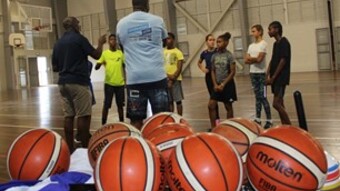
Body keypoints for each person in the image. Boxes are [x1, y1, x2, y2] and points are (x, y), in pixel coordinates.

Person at [52, 16, 106, 152]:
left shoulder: (58, 43)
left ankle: (70, 148)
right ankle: (84, 148)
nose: (79, 25)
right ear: (73, 25)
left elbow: (55, 67)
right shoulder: (79, 39)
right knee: (84, 115)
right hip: (78, 82)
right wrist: (100, 43)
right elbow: (97, 55)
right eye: (78, 23)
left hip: (63, 83)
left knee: (68, 116)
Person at [116, 0, 169, 130]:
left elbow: (122, 47)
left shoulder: (121, 24)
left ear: (133, 5)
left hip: (135, 79)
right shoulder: (158, 21)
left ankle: (138, 148)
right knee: (161, 119)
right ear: (147, 5)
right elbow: (164, 43)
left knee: (136, 121)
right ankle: (161, 147)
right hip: (157, 77)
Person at [245, 24, 273, 129]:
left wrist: (251, 59)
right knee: (257, 97)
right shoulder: (251, 46)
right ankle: (258, 119)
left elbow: (259, 59)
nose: (252, 33)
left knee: (263, 97)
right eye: (252, 31)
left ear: (260, 32)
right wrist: (254, 58)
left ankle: (269, 120)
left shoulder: (263, 44)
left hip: (262, 75)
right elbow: (245, 60)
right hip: (253, 74)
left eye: (254, 31)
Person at [209, 32, 237, 130]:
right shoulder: (214, 56)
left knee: (228, 106)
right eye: (217, 42)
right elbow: (212, 70)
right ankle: (214, 127)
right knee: (211, 105)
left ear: (225, 43)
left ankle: (230, 127)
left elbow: (233, 72)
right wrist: (215, 84)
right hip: (217, 85)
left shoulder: (229, 55)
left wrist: (223, 84)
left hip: (227, 85)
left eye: (220, 42)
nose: (217, 44)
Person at [95, 34, 125, 125]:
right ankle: (103, 124)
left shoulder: (120, 53)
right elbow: (96, 67)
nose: (113, 41)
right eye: (111, 39)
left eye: (114, 40)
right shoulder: (105, 53)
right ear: (108, 41)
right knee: (106, 105)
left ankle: (122, 123)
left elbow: (125, 66)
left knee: (120, 105)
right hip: (109, 84)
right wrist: (99, 64)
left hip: (120, 84)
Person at [266, 21, 291, 125]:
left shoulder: (284, 42)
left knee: (276, 104)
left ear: (276, 30)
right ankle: (285, 125)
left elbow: (283, 61)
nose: (268, 31)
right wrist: (267, 74)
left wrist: (274, 77)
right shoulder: (275, 44)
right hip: (275, 78)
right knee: (280, 103)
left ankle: (289, 125)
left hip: (281, 78)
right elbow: (273, 60)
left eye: (270, 29)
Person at [197, 34, 220, 125]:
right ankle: (217, 122)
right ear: (206, 42)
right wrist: (203, 69)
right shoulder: (204, 53)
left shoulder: (218, 51)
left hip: (217, 76)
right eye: (210, 40)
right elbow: (199, 62)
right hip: (209, 77)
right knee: (213, 99)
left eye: (213, 40)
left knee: (216, 99)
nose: (212, 42)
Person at [164, 32, 184, 115]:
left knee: (178, 101)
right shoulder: (162, 51)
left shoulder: (178, 52)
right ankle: (170, 118)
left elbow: (179, 68)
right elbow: (160, 66)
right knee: (169, 101)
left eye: (169, 38)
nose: (167, 41)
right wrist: (167, 76)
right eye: (166, 39)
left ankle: (179, 118)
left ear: (173, 40)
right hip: (165, 79)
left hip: (175, 80)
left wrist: (173, 78)